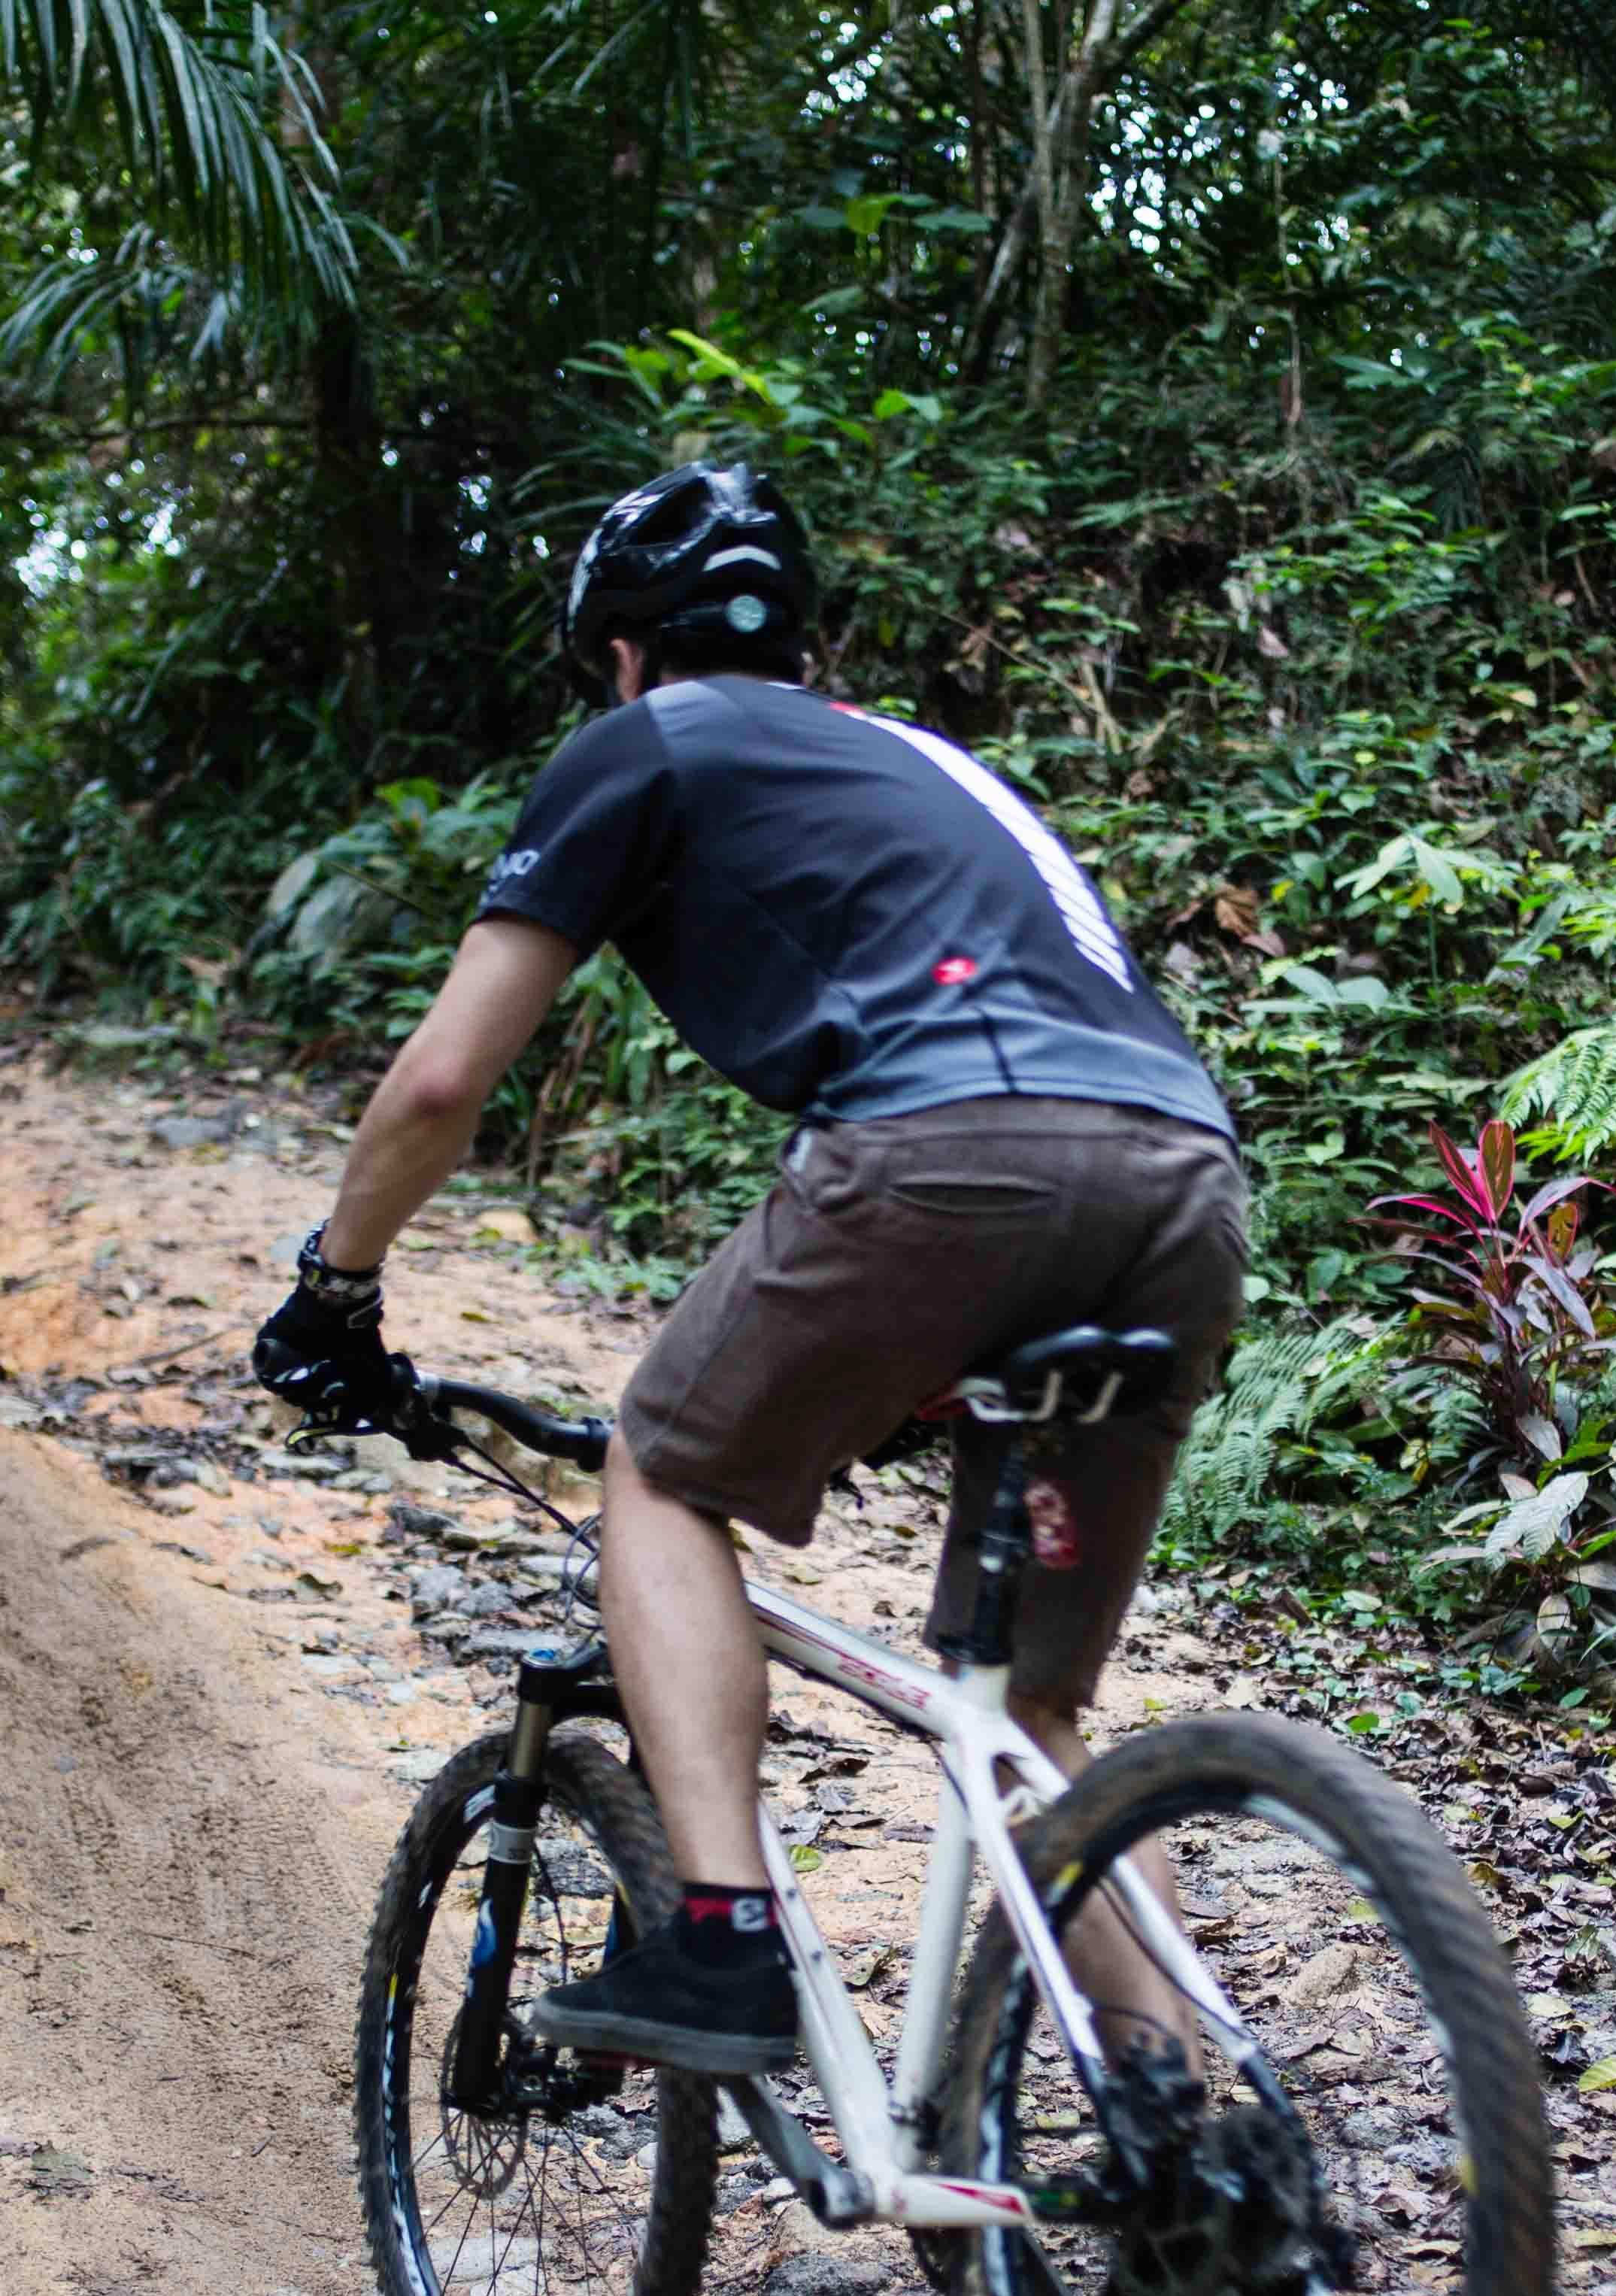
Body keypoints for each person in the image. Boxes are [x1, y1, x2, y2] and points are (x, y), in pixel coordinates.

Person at [254, 464, 1248, 2082]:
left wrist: (335, 1290)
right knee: (1031, 1715)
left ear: (626, 653)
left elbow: (441, 1084)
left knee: (660, 1471)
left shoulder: (644, 743)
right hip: (1184, 1179)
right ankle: (1185, 2130)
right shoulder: (931, 762)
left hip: (950, 1151)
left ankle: (719, 1941)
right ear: (796, 641)